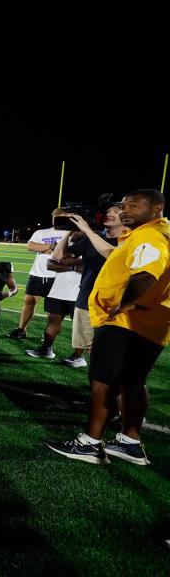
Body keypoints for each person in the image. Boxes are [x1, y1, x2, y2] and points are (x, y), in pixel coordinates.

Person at [47, 189, 170, 466]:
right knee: (133, 382)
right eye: (124, 205)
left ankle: (90, 443)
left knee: (103, 382)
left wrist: (125, 303)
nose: (126, 210)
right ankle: (130, 443)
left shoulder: (150, 236)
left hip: (126, 321)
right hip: (151, 322)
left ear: (157, 208)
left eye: (134, 205)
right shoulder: (152, 233)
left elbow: (146, 273)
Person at [51, 206, 125, 368]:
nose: (109, 213)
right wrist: (69, 231)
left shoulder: (128, 240)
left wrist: (87, 230)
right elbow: (58, 257)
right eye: (109, 210)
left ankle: (110, 386)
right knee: (89, 347)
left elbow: (113, 256)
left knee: (110, 350)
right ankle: (98, 383)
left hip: (114, 304)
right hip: (87, 298)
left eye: (116, 211)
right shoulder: (93, 238)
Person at [9, 209, 68, 339]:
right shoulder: (41, 232)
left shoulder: (71, 233)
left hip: (58, 276)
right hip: (38, 273)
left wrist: (44, 247)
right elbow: (30, 246)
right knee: (29, 301)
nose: (58, 218)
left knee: (54, 309)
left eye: (61, 216)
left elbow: (66, 253)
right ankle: (21, 329)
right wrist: (52, 247)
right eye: (56, 216)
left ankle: (48, 335)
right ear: (52, 217)